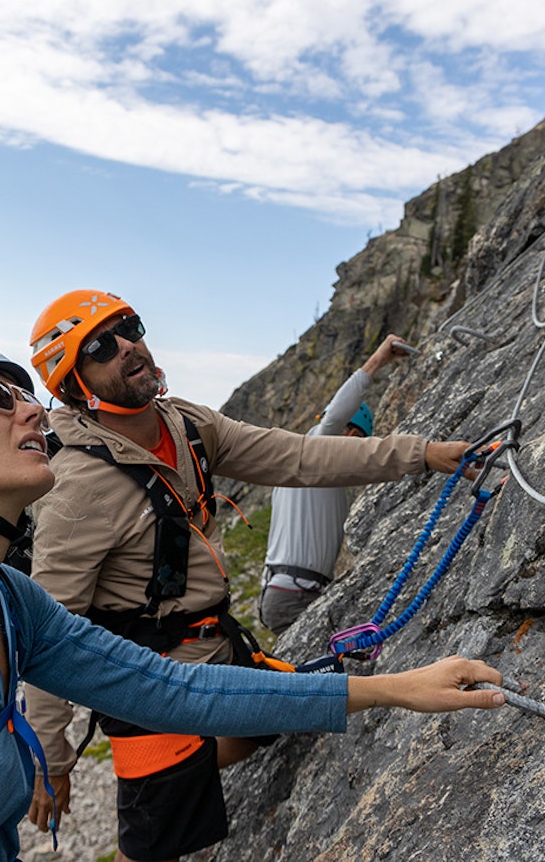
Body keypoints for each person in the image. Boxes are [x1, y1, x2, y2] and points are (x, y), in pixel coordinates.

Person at [0, 335, 506, 861]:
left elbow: (173, 690)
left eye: (24, 390)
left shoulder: (7, 603)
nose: (30, 409)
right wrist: (54, 759)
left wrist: (397, 689)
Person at [25, 290, 482, 862]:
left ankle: (195, 756)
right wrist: (51, 758)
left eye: (129, 327)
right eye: (100, 346)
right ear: (74, 384)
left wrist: (424, 454)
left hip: (219, 645)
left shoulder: (186, 424)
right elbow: (49, 633)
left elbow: (300, 457)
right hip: (155, 686)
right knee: (156, 845)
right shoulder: (78, 487)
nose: (127, 345)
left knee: (268, 723)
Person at [260, 333, 412, 636]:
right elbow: (337, 414)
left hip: (284, 590)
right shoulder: (318, 448)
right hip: (295, 594)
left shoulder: (297, 470)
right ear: (351, 435)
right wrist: (379, 358)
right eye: (359, 441)